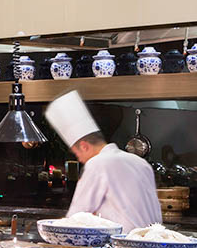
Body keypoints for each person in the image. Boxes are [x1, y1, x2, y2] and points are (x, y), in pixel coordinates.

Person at [45, 90, 161, 231]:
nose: (79, 159)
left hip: (119, 242)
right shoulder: (141, 163)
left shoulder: (97, 164)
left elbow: (76, 217)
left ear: (84, 146)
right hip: (151, 241)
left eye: (76, 154)